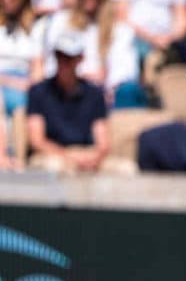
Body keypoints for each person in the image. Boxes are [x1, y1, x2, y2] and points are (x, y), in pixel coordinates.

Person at [25, 31, 131, 174]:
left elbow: (103, 142)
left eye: (69, 58)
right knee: (55, 167)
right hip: (52, 155)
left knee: (125, 169)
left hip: (86, 153)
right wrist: (67, 156)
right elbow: (37, 141)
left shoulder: (95, 93)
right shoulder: (39, 91)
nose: (64, 62)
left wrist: (93, 158)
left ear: (80, 58)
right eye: (60, 56)